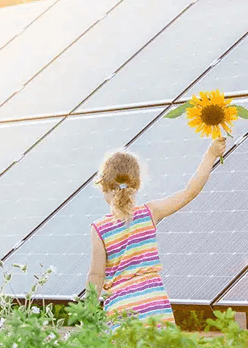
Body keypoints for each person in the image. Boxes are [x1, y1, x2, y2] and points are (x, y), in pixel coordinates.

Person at [87, 137, 227, 331]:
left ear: (103, 187)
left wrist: (87, 315)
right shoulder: (150, 213)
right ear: (136, 186)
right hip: (155, 308)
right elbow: (189, 192)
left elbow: (96, 275)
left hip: (122, 313)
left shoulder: (99, 229)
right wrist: (211, 154)